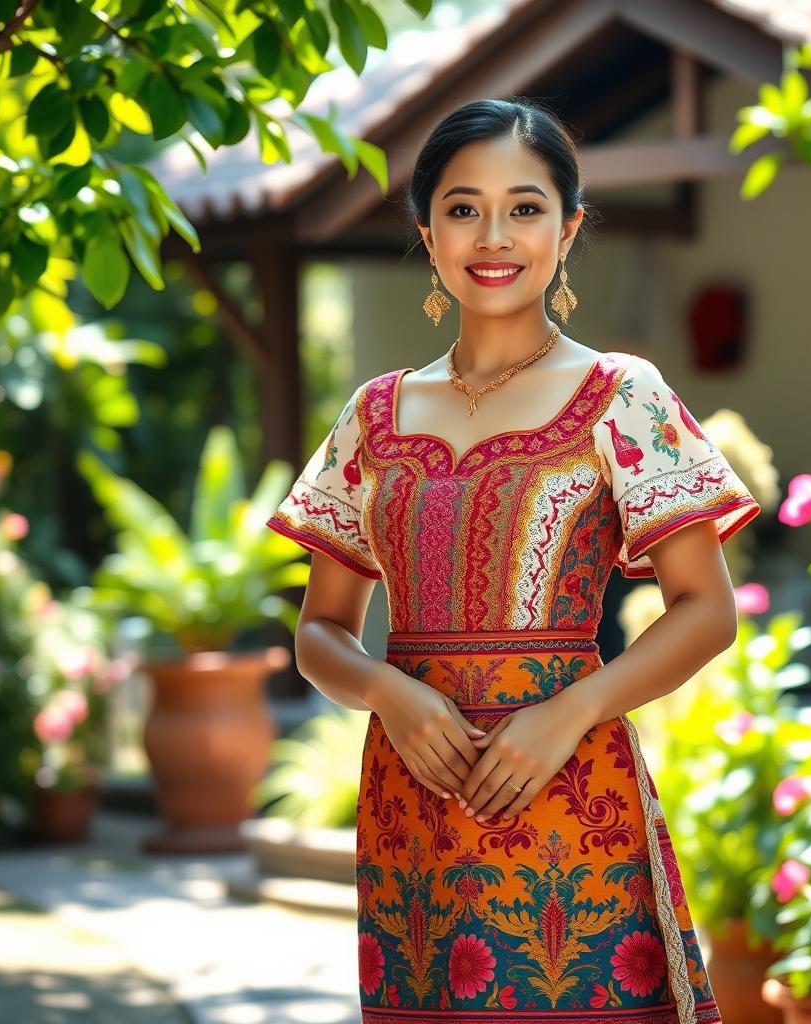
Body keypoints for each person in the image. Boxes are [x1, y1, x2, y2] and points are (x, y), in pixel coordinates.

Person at [265, 96, 760, 1024]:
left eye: (525, 207)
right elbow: (321, 633)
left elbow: (706, 609)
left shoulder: (625, 395)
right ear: (426, 231)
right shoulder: (371, 414)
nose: (494, 235)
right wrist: (388, 692)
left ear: (569, 228)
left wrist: (570, 712)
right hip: (412, 803)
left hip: (575, 789)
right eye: (463, 208)